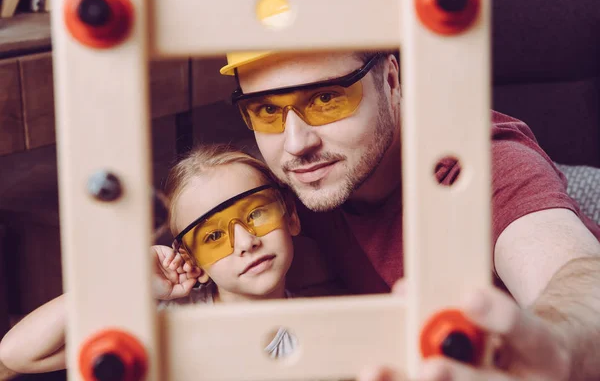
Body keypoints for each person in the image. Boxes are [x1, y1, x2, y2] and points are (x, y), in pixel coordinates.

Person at [219, 45, 600, 378]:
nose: (296, 144)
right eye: (267, 110)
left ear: (390, 79)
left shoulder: (477, 164)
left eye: (326, 99)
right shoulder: (293, 182)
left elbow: (577, 276)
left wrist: (560, 346)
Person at [0, 144, 302, 373]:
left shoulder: (319, 329)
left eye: (256, 213)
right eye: (213, 236)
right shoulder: (165, 321)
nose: (246, 242)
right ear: (193, 261)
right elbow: (18, 353)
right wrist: (127, 280)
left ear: (290, 217)